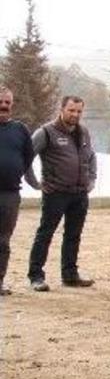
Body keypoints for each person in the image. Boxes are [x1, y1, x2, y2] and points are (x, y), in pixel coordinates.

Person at [27, 95, 96, 291]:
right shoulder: (46, 132)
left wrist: (92, 179)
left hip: (79, 194)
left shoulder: (84, 132)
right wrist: (35, 183)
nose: (75, 114)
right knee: (45, 234)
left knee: (73, 235)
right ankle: (36, 276)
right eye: (71, 110)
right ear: (62, 109)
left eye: (79, 111)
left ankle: (70, 275)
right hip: (55, 193)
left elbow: (91, 156)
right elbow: (27, 157)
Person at [0, 87, 40, 295]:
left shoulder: (20, 130)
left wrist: (33, 181)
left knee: (3, 242)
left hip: (9, 195)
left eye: (7, 102)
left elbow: (28, 157)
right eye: (1, 101)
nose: (3, 105)